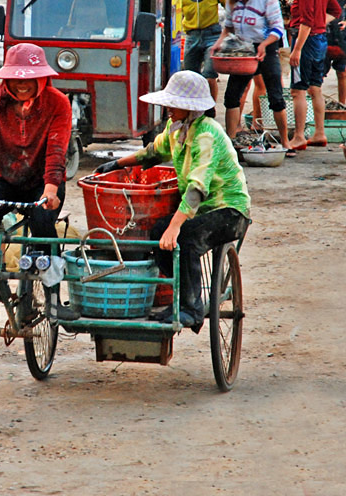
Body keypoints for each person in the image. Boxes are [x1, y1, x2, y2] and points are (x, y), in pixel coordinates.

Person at [93, 71, 250, 330]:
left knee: (185, 238)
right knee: (157, 233)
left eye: (172, 104)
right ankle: (185, 295)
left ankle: (191, 308)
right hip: (201, 210)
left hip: (229, 210)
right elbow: (154, 151)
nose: (167, 109)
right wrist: (116, 164)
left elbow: (197, 188)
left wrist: (175, 226)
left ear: (189, 108)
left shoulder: (206, 134)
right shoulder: (177, 129)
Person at [208, 0, 292, 154]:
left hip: (267, 50)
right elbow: (228, 25)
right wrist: (220, 43)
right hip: (243, 51)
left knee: (276, 97)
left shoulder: (267, 0)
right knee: (232, 96)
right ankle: (229, 141)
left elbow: (277, 29)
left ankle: (286, 142)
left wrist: (263, 45)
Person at [283, 0, 341, 151]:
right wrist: (320, 23)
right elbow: (336, 11)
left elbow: (306, 22)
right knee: (315, 88)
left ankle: (299, 136)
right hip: (320, 40)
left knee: (298, 90)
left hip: (306, 41)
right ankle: (319, 133)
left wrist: (296, 49)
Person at [178, 0, 228, 101]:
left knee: (209, 75)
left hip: (212, 36)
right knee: (190, 75)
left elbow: (231, 9)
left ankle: (210, 108)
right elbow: (174, 11)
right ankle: (193, 107)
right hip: (191, 36)